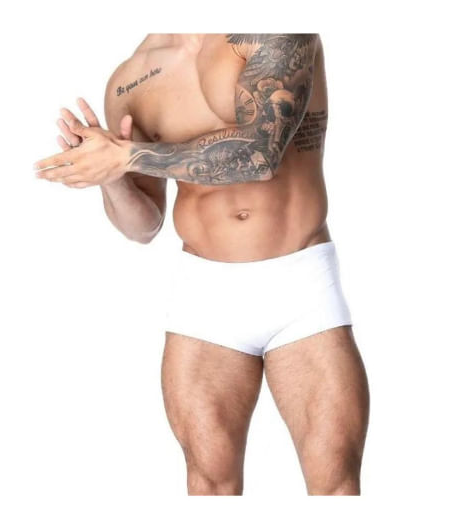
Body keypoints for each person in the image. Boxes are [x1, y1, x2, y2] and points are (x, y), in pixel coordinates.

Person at [34, 34, 370, 496]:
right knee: (209, 484)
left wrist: (126, 155)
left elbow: (260, 154)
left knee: (334, 483)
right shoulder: (130, 79)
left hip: (299, 281)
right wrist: (111, 177)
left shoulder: (274, 29)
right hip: (205, 296)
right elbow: (143, 226)